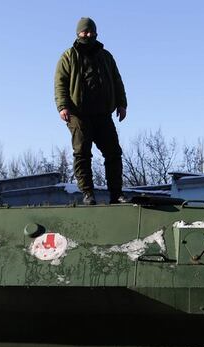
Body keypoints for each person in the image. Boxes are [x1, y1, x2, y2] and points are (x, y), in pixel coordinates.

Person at [54, 16, 128, 205]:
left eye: (91, 31)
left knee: (113, 153)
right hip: (79, 114)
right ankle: (88, 193)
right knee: (82, 153)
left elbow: (117, 80)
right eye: (84, 31)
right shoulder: (68, 56)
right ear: (78, 33)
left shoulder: (105, 56)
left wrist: (122, 103)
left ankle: (116, 194)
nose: (88, 34)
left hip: (103, 114)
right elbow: (60, 83)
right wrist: (63, 106)